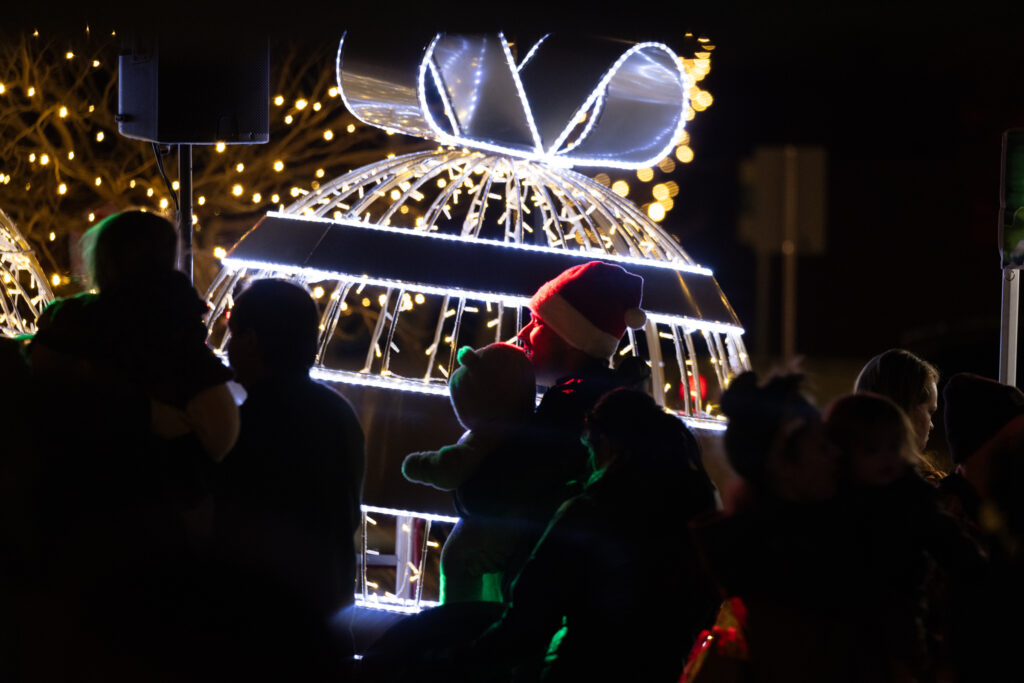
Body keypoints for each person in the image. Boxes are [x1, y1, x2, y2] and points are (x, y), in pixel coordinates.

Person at [363, 389, 719, 683]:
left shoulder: (590, 511)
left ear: (607, 444)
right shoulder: (700, 510)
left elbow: (529, 622)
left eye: (591, 449)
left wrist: (446, 664)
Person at [214, 278, 365, 680]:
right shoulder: (339, 411)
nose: (227, 350)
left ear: (251, 340)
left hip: (261, 629)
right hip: (327, 619)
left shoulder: (246, 420)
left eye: (232, 335)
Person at [825, 392, 985, 682]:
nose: (887, 457)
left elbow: (958, 551)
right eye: (872, 449)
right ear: (843, 453)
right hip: (842, 634)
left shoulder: (912, 500)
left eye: (894, 446)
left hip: (901, 630)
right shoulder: (829, 504)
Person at [402, 342, 537, 604]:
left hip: (486, 524)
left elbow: (449, 469)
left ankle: (456, 615)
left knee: (455, 560)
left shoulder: (485, 436)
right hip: (521, 526)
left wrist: (418, 465)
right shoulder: (531, 427)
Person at [854, 349, 942, 481]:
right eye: (930, 411)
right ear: (906, 408)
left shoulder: (840, 478)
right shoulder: (925, 487)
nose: (931, 425)